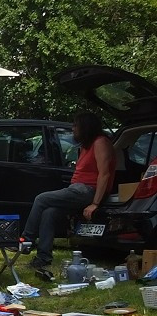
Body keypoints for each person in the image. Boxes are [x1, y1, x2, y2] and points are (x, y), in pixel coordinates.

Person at [22, 111, 115, 281]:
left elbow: (105, 174)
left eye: (75, 125)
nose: (73, 129)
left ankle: (25, 240)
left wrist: (95, 203)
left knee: (41, 199)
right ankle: (43, 258)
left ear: (85, 127)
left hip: (87, 190)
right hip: (77, 188)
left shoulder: (100, 142)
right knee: (49, 212)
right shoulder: (85, 145)